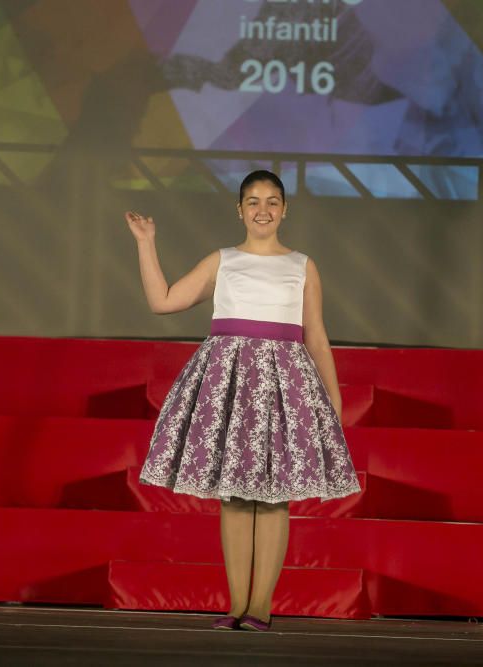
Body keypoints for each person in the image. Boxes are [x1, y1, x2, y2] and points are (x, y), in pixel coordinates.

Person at [125, 170, 360, 631]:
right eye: (253, 201)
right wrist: (145, 242)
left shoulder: (302, 266)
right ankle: (235, 606)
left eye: (272, 201)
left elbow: (316, 334)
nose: (263, 210)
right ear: (239, 209)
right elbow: (164, 300)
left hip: (283, 386)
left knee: (273, 499)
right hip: (228, 382)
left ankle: (261, 608)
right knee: (234, 497)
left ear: (285, 209)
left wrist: (331, 398)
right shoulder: (224, 260)